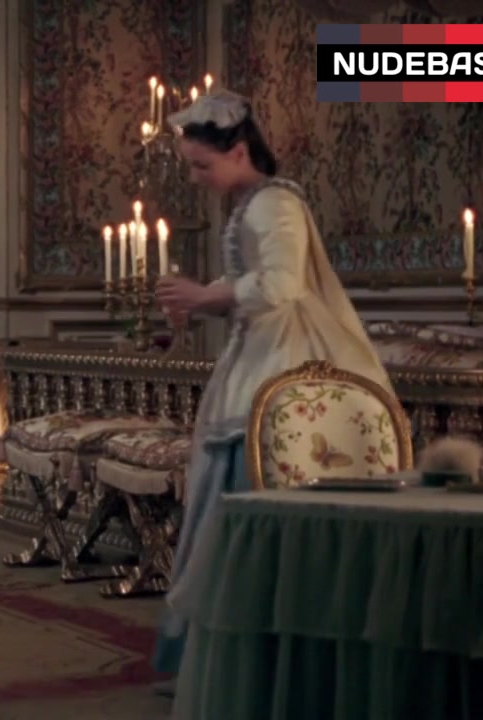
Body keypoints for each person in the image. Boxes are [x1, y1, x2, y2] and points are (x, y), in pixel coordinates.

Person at [150, 91, 392, 707]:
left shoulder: (275, 203)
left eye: (202, 165)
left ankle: (263, 661)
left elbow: (282, 284)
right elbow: (252, 283)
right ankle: (229, 658)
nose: (196, 178)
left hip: (285, 363)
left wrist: (208, 296)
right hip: (258, 354)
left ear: (238, 151)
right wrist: (204, 298)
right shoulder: (253, 203)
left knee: (253, 499)